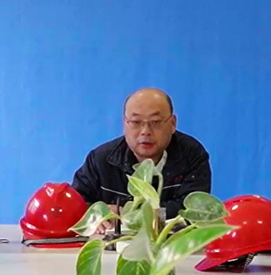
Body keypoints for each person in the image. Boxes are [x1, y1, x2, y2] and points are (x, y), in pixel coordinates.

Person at [71, 88, 211, 220]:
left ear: (173, 123)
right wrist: (98, 215)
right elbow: (75, 206)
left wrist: (128, 214)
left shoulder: (191, 155)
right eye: (136, 122)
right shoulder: (101, 160)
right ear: (125, 124)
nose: (145, 131)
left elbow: (194, 210)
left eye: (155, 122)